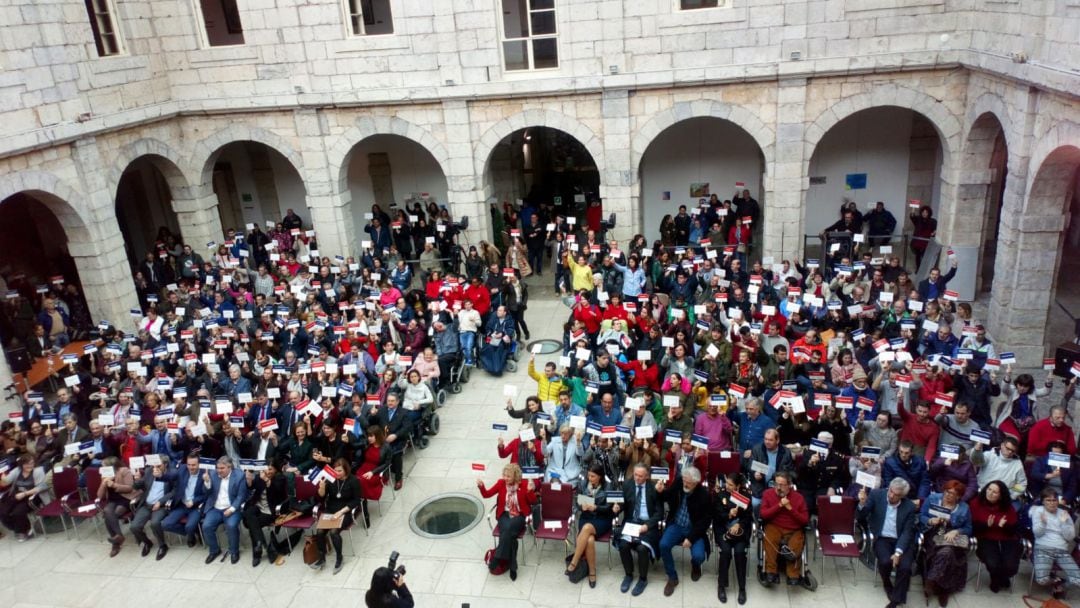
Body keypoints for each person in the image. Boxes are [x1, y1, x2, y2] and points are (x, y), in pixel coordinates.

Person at [857, 478, 918, 608]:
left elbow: (907, 532)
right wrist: (862, 503)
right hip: (882, 538)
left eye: (896, 495)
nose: (891, 496)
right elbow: (861, 517)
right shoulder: (876, 495)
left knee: (905, 567)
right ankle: (887, 583)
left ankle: (895, 600)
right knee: (885, 562)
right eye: (891, 491)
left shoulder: (909, 507)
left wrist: (898, 552)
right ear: (888, 488)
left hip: (902, 540)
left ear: (902, 496)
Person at [657, 465, 710, 596]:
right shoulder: (680, 483)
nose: (685, 484)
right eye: (684, 480)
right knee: (663, 545)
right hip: (676, 524)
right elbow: (667, 496)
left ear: (696, 482)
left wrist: (691, 538)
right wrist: (660, 491)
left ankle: (695, 565)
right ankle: (672, 577)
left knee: (699, 556)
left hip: (694, 529)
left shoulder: (704, 495)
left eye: (688, 482)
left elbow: (705, 522)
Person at [477, 462, 537, 581]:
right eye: (504, 475)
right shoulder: (501, 483)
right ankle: (512, 566)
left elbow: (534, 502)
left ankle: (498, 558)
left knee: (508, 530)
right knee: (510, 534)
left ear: (515, 476)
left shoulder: (524, 484)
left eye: (508, 476)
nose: (505, 478)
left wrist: (530, 491)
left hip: (519, 516)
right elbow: (486, 494)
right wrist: (481, 486)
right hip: (504, 515)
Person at [919, 479, 972, 606]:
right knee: (947, 553)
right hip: (934, 533)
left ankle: (930, 581)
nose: (948, 495)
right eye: (947, 492)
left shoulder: (964, 508)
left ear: (958, 496)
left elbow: (969, 528)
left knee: (947, 552)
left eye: (952, 494)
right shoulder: (932, 499)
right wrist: (930, 521)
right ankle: (943, 590)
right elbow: (921, 516)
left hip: (953, 536)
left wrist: (957, 531)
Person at [614, 462, 663, 596]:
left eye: (641, 476)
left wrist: (647, 525)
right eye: (635, 475)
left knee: (642, 548)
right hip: (631, 522)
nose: (637, 478)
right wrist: (617, 508)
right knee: (623, 545)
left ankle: (643, 579)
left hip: (648, 524)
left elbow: (659, 513)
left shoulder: (654, 488)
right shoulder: (627, 484)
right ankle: (628, 575)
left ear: (647, 476)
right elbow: (623, 504)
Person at [759, 470, 812, 588]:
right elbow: (763, 514)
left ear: (789, 485)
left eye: (782, 485)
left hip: (794, 529)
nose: (778, 487)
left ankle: (793, 574)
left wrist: (790, 508)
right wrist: (779, 506)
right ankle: (771, 571)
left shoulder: (799, 498)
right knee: (769, 538)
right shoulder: (768, 494)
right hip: (774, 525)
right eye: (776, 484)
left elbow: (804, 520)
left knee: (794, 547)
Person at [565, 463, 615, 588]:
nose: (589, 478)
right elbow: (577, 502)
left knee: (587, 528)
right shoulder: (583, 484)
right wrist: (581, 506)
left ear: (600, 477)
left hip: (602, 519)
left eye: (592, 476)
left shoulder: (608, 486)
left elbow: (609, 508)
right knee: (590, 540)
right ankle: (592, 572)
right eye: (589, 476)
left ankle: (574, 562)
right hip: (586, 517)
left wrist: (596, 507)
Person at [968, 480, 1020, 593]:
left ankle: (1001, 577)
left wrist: (1004, 525)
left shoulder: (1008, 507)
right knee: (993, 563)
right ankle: (996, 578)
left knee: (1011, 567)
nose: (990, 493)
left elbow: (1014, 531)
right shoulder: (975, 503)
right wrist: (986, 525)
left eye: (995, 492)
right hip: (985, 537)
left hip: (1007, 538)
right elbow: (972, 528)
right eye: (989, 489)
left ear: (1001, 496)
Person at [312, 458, 362, 574]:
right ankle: (321, 557)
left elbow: (356, 500)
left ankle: (339, 557)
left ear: (346, 470)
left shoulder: (353, 481)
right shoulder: (331, 479)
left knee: (334, 532)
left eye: (340, 471)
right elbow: (321, 497)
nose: (337, 473)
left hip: (346, 511)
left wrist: (341, 512)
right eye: (335, 470)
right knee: (319, 531)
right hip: (331, 509)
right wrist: (322, 487)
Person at [1030, 487, 1080, 597]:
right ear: (1043, 501)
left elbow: (1070, 536)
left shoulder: (1064, 513)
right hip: (1043, 547)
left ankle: (1060, 584)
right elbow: (1037, 534)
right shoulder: (1038, 511)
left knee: (1078, 579)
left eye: (1054, 500)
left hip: (1061, 550)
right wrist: (1043, 523)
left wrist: (1064, 523)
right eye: (1048, 500)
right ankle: (1055, 581)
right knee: (1041, 580)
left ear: (1058, 501)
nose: (1052, 503)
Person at [201, 455, 249, 565]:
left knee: (231, 526)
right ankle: (214, 550)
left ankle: (234, 551)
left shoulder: (239, 475)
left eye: (222, 468)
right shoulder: (212, 474)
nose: (219, 470)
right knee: (206, 526)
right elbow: (206, 493)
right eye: (218, 468)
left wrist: (231, 509)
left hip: (232, 507)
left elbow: (241, 496)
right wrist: (207, 482)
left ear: (229, 467)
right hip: (216, 508)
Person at [713, 472, 752, 604]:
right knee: (726, 552)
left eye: (731, 484)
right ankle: (721, 585)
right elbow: (717, 515)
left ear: (738, 486)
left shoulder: (746, 497)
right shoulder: (720, 495)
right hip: (723, 530)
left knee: (740, 553)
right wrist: (729, 515)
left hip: (740, 532)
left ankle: (742, 588)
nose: (727, 486)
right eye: (727, 483)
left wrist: (739, 524)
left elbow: (748, 518)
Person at [242, 460, 288, 567]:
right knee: (249, 513)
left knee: (253, 524)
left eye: (270, 469)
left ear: (276, 469)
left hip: (271, 510)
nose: (268, 471)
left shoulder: (280, 478)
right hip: (258, 506)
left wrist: (267, 480)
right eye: (266, 469)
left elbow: (277, 491)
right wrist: (249, 479)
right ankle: (261, 543)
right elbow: (251, 486)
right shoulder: (260, 476)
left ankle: (257, 554)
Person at [129, 455, 174, 560]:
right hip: (146, 504)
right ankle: (147, 542)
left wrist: (160, 502)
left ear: (165, 465)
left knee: (155, 523)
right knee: (134, 527)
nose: (155, 468)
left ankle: (162, 546)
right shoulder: (150, 471)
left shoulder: (171, 474)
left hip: (161, 505)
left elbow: (174, 491)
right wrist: (137, 480)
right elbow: (137, 487)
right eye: (154, 465)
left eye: (158, 466)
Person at [161, 453, 207, 549]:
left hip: (195, 506)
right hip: (182, 505)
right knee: (165, 524)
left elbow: (206, 495)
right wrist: (161, 475)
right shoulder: (182, 469)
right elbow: (170, 476)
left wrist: (194, 501)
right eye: (188, 464)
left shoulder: (205, 474)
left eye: (193, 465)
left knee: (189, 526)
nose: (190, 467)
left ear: (199, 464)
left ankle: (191, 532)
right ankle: (192, 533)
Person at [97, 455, 139, 557]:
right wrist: (103, 484)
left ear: (111, 466)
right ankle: (119, 536)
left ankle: (116, 543)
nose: (102, 468)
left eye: (104, 466)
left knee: (110, 515)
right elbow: (99, 496)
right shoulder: (104, 475)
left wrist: (114, 485)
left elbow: (130, 488)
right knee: (107, 511)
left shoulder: (124, 471)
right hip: (112, 500)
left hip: (126, 498)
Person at [0, 455, 49, 542]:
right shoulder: (17, 470)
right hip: (17, 495)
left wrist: (25, 493)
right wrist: (3, 477)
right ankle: (16, 528)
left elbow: (42, 486)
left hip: (32, 496)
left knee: (17, 512)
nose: (30, 466)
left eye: (32, 463)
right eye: (27, 464)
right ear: (21, 464)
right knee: (3, 512)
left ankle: (23, 531)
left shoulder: (38, 471)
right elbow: (6, 482)